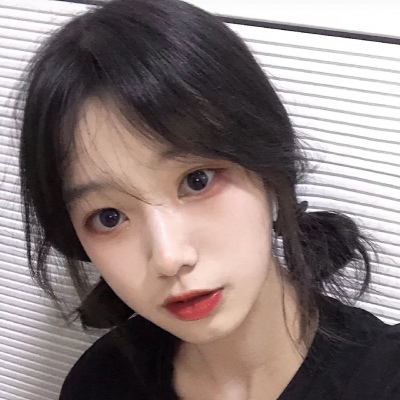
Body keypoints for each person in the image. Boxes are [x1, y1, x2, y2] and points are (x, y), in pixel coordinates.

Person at [17, 0, 400, 399]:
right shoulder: (100, 382)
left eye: (197, 181)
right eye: (109, 216)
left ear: (269, 171)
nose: (169, 257)